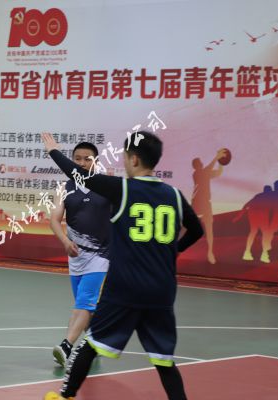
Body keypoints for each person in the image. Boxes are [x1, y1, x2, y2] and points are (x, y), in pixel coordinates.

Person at [42, 131, 204, 400]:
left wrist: (53, 151)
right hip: (162, 290)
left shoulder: (123, 188)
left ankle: (65, 395)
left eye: (126, 156)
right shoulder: (174, 195)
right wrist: (174, 251)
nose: (124, 161)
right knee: (164, 360)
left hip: (126, 287)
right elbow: (197, 230)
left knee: (91, 344)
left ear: (135, 159)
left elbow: (78, 174)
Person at [49, 142, 111, 367]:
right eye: (78, 159)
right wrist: (65, 241)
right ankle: (95, 343)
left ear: (96, 162)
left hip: (101, 256)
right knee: (86, 308)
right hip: (76, 257)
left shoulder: (106, 185)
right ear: (72, 161)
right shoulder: (64, 188)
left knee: (84, 302)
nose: (82, 163)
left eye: (87, 159)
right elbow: (54, 220)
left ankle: (66, 346)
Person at [190, 149, 227, 264]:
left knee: (209, 228)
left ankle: (210, 252)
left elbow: (219, 173)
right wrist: (217, 157)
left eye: (200, 162)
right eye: (199, 162)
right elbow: (209, 168)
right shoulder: (197, 174)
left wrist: (221, 162)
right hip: (197, 203)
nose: (201, 163)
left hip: (205, 203)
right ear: (196, 166)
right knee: (189, 227)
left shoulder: (205, 173)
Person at [234, 185, 273, 263]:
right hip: (258, 216)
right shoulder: (268, 198)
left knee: (254, 232)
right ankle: (264, 254)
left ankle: (247, 252)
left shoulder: (258, 196)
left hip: (253, 215)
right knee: (264, 233)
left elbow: (246, 205)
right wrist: (239, 216)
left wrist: (239, 216)